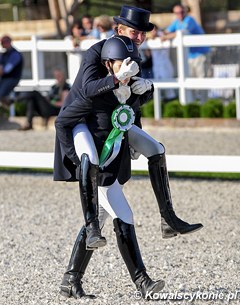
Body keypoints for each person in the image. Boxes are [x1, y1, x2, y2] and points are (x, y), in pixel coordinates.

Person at [55, 5, 203, 239]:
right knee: (104, 210)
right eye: (135, 33)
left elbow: (129, 103)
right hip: (83, 121)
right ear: (119, 29)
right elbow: (88, 89)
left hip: (114, 124)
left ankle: (168, 218)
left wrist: (147, 89)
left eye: (143, 34)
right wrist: (117, 78)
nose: (140, 38)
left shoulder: (132, 53)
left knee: (156, 150)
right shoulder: (96, 52)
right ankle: (75, 271)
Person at [55, 35, 165, 300]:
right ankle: (143, 282)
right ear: (108, 64)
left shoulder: (123, 93)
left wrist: (146, 89)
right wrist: (79, 162)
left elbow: (129, 117)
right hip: (97, 173)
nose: (128, 67)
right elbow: (62, 122)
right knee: (124, 215)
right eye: (122, 63)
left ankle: (71, 280)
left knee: (108, 217)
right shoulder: (93, 94)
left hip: (111, 169)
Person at [161, 4, 210, 103]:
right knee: (189, 82)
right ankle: (192, 105)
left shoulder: (189, 20)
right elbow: (166, 32)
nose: (180, 14)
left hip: (200, 55)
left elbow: (180, 33)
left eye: (181, 12)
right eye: (177, 13)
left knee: (202, 81)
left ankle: (204, 104)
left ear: (185, 12)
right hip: (189, 56)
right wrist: (158, 34)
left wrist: (165, 37)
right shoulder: (176, 22)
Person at [150, 24, 176, 101]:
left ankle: (172, 104)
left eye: (154, 30)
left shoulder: (162, 36)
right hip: (156, 66)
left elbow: (166, 42)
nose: (153, 32)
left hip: (165, 65)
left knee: (169, 88)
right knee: (157, 88)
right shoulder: (150, 39)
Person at [0, 35, 23, 106]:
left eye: (3, 42)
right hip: (4, 79)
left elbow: (6, 70)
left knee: (1, 94)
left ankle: (14, 101)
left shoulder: (15, 54)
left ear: (8, 42)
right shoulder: (4, 54)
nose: (1, 44)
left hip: (12, 79)